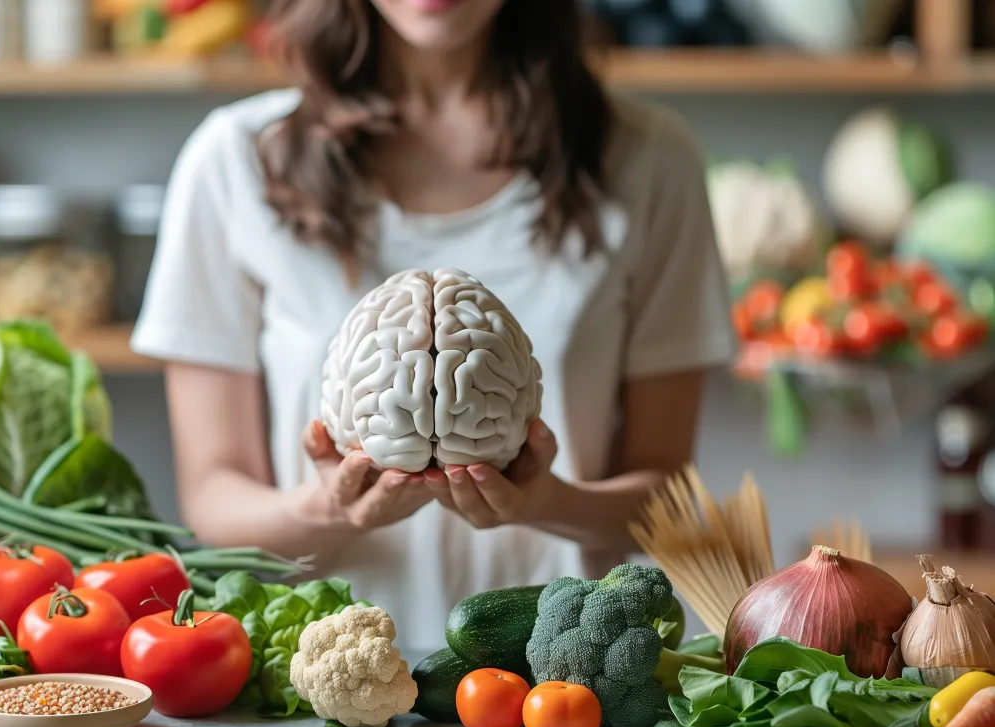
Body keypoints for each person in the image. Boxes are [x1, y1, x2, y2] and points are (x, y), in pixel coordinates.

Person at [131, 0, 736, 651]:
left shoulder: (649, 161)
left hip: (560, 691)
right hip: (313, 689)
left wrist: (545, 502)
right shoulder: (233, 163)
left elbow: (664, 499)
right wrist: (325, 509)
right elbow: (211, 494)